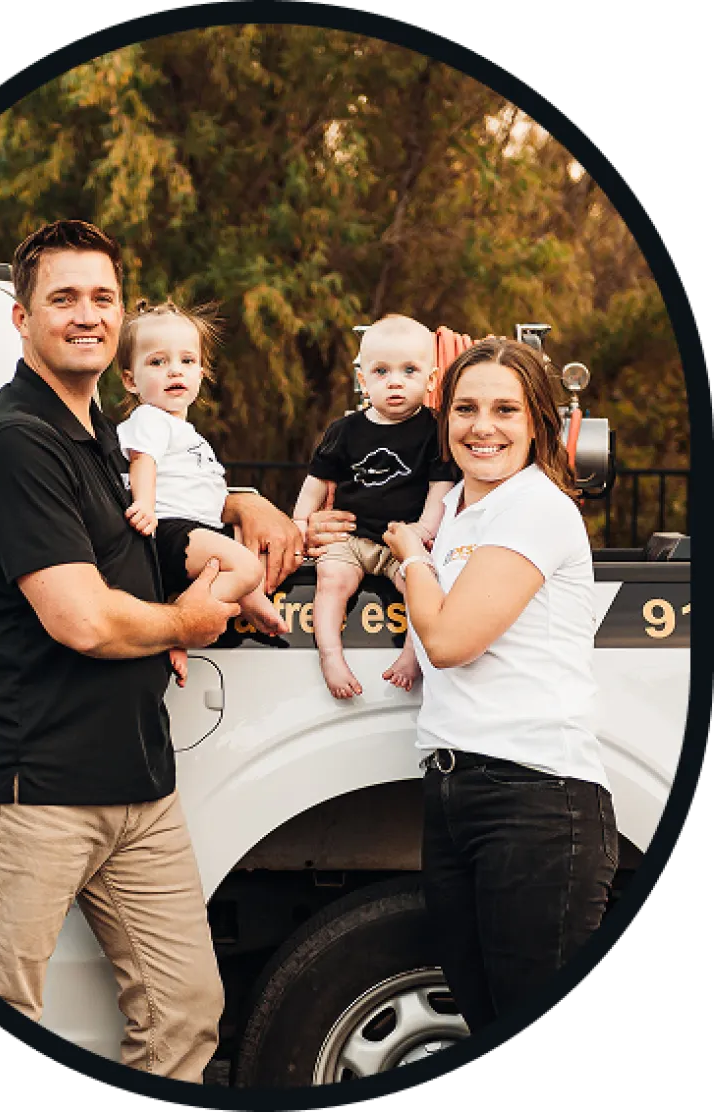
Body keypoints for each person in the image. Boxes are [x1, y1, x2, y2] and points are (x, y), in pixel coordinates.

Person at [0, 219, 303, 1083]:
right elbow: (85, 619)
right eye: (62, 298)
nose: (87, 315)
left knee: (184, 1015)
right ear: (22, 318)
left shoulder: (100, 434)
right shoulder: (16, 441)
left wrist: (239, 504)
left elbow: (134, 538)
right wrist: (189, 622)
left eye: (101, 297)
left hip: (139, 788)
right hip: (37, 790)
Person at [377, 335, 618, 1033]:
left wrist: (409, 560)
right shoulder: (457, 508)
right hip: (456, 792)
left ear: (539, 422)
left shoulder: (535, 508)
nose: (482, 426)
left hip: (537, 801)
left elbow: (448, 641)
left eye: (505, 409)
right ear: (443, 417)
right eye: (466, 408)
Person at [115, 298, 288, 685]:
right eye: (158, 362)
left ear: (202, 371)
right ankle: (180, 624)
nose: (175, 370)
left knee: (247, 537)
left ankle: (249, 596)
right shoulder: (150, 418)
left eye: (187, 361)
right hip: (169, 529)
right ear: (130, 380)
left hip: (197, 527)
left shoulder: (188, 433)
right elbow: (143, 461)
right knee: (245, 565)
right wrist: (143, 504)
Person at [291, 314, 457, 698]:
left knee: (419, 587)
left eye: (409, 370)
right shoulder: (344, 430)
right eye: (381, 371)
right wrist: (300, 520)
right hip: (351, 536)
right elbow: (318, 480)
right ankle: (331, 655)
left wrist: (424, 531)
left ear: (430, 381)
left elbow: (440, 486)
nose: (395, 381)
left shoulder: (434, 431)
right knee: (331, 582)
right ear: (363, 380)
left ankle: (412, 654)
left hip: (402, 539)